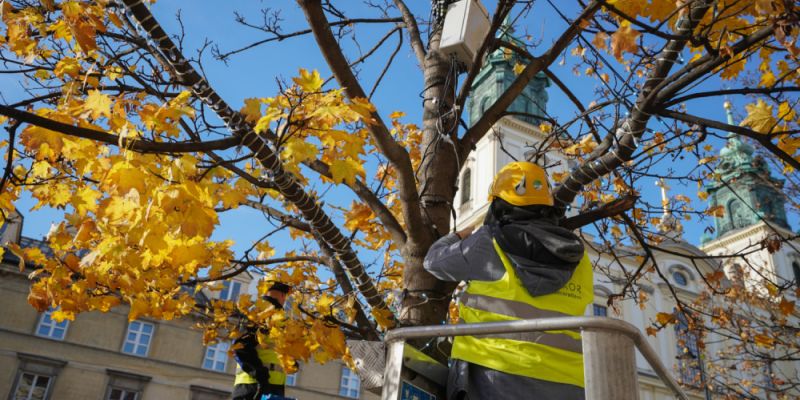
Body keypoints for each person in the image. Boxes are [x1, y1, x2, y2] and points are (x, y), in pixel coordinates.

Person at [423, 161, 593, 400]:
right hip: (570, 383)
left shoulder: (488, 242)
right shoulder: (580, 258)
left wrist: (456, 236)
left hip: (494, 374)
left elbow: (432, 262)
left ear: (498, 206)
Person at [232, 282, 292, 400]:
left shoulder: (277, 316)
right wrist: (261, 376)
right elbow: (240, 348)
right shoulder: (262, 312)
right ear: (283, 295)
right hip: (254, 386)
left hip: (268, 386)